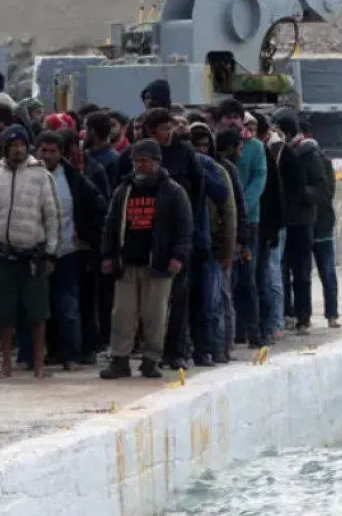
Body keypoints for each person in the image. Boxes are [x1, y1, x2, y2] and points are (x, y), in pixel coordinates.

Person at [99, 140, 191, 380]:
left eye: (145, 161)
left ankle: (151, 361)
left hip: (158, 265)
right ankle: (120, 359)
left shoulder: (173, 192)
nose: (140, 166)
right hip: (127, 264)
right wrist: (108, 255)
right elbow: (110, 225)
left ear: (157, 162)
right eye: (136, 161)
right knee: (123, 314)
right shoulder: (124, 190)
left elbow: (184, 229)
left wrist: (178, 256)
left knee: (155, 316)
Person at [0, 125, 61, 380]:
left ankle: (38, 366)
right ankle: (6, 366)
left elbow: (52, 215)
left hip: (33, 254)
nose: (18, 149)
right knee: (4, 314)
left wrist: (50, 252)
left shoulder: (41, 175)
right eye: (13, 145)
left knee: (37, 313)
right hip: (2, 254)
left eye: (22, 144)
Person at [37, 130, 106, 371]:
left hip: (67, 251)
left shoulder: (74, 179)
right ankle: (45, 352)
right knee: (39, 307)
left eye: (52, 151)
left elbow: (98, 207)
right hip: (35, 251)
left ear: (61, 153)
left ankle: (71, 354)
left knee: (68, 305)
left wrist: (88, 239)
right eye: (43, 151)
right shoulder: (28, 176)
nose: (47, 156)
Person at [144, 108, 205, 370]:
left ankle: (176, 351)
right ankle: (150, 352)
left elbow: (198, 188)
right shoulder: (140, 155)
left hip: (177, 235)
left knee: (178, 297)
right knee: (148, 302)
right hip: (146, 236)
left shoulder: (185, 153)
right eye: (163, 129)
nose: (168, 133)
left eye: (170, 128)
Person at [216, 101, 266, 344]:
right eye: (227, 116)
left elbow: (259, 181)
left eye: (237, 116)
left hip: (249, 222)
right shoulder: (216, 148)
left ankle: (254, 331)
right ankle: (232, 332)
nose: (233, 121)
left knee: (248, 279)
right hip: (221, 223)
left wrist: (240, 208)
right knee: (227, 280)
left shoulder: (255, 148)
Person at [192, 123, 239, 364]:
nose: (200, 150)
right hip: (191, 246)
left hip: (214, 246)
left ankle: (220, 347)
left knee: (217, 301)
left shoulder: (217, 171)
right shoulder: (186, 169)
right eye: (195, 145)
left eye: (204, 145)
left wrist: (229, 249)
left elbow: (230, 212)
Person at [275, 112, 325, 331]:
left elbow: (321, 187)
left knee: (301, 272)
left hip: (302, 220)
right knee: (282, 272)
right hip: (283, 219)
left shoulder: (308, 154)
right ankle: (287, 312)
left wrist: (300, 194)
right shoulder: (278, 153)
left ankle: (303, 315)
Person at [304, 120, 341, 328]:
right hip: (313, 225)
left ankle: (330, 313)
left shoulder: (322, 162)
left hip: (320, 225)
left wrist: (305, 194)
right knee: (312, 274)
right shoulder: (319, 160)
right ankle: (319, 315)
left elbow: (326, 193)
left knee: (323, 272)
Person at [256, 114, 286, 345]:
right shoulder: (259, 152)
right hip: (264, 226)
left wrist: (274, 229)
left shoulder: (267, 152)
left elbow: (274, 195)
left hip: (268, 226)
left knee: (270, 276)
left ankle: (274, 324)